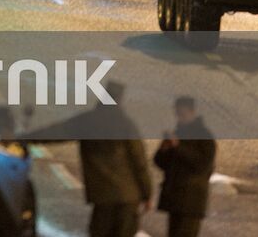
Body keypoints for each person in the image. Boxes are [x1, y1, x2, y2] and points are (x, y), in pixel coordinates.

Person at [78, 83, 153, 237]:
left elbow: (56, 131)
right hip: (128, 197)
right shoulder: (125, 124)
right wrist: (147, 193)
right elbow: (139, 162)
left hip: (103, 197)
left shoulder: (88, 121)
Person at [153, 97, 217, 237]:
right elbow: (161, 163)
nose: (179, 118)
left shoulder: (204, 136)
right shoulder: (178, 133)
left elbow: (203, 164)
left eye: (182, 114)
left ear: (192, 112)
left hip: (191, 202)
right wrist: (163, 149)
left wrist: (178, 146)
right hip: (176, 201)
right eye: (177, 114)